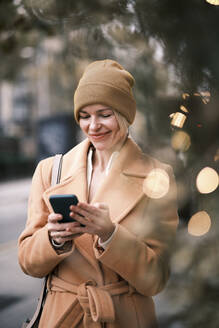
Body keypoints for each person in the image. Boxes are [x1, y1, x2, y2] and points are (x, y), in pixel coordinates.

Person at [18, 59, 179, 328]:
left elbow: (156, 279)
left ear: (126, 115)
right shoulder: (49, 171)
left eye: (104, 114)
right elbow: (28, 262)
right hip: (61, 318)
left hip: (125, 318)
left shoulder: (158, 176)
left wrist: (110, 234)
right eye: (84, 115)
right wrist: (53, 239)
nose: (93, 126)